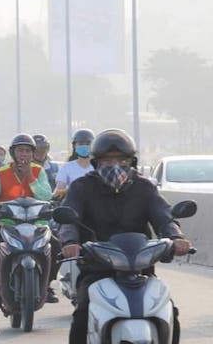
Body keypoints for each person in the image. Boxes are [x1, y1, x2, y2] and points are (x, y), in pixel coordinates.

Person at [59, 128, 192, 344]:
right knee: (82, 313)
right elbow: (68, 220)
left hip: (141, 269)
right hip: (97, 268)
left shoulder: (145, 187)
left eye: (121, 159)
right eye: (107, 160)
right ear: (96, 162)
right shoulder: (82, 187)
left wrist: (176, 237)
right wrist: (70, 242)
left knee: (170, 311)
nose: (114, 165)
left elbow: (164, 216)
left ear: (131, 161)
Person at [0, 133, 57, 304]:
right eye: (20, 151)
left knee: (57, 247)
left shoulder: (39, 171)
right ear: (13, 153)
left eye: (27, 151)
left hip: (37, 224)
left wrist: (30, 177)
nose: (24, 155)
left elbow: (47, 196)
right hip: (8, 225)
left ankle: (47, 286)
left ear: (33, 153)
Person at [53, 129, 95, 199]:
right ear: (74, 146)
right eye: (81, 144)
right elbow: (58, 192)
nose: (84, 146)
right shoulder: (66, 167)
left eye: (88, 143)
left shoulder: (99, 166)